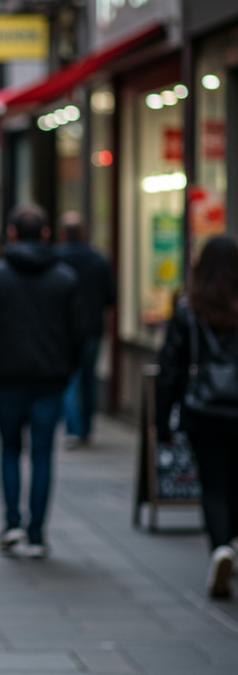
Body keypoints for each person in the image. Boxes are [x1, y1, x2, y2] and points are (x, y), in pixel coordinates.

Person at [0, 203, 85, 558]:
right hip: (50, 379)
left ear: (12, 233)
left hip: (6, 378)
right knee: (43, 453)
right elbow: (80, 334)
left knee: (11, 450)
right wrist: (66, 370)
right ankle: (37, 533)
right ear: (46, 234)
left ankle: (12, 523)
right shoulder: (64, 277)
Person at [156, 235, 238, 599]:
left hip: (202, 409)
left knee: (213, 483)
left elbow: (170, 367)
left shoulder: (190, 307)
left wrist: (162, 419)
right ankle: (230, 543)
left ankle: (220, 547)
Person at [55, 211, 116, 448]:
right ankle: (86, 427)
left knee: (70, 378)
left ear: (62, 234)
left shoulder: (56, 259)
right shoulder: (98, 260)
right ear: (83, 233)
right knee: (88, 377)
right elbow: (111, 295)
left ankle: (74, 429)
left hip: (64, 330)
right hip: (92, 328)